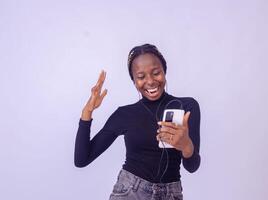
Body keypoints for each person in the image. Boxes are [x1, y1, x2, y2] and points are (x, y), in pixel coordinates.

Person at [74, 44, 201, 200]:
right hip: (130, 192)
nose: (150, 81)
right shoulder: (124, 114)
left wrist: (186, 145)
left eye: (156, 73)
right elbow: (81, 160)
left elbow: (192, 166)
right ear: (134, 81)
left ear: (164, 72)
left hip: (171, 194)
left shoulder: (187, 107)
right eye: (141, 77)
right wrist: (87, 112)